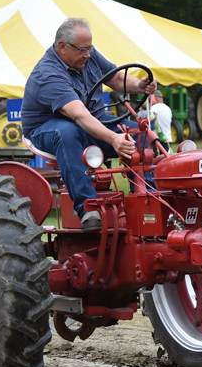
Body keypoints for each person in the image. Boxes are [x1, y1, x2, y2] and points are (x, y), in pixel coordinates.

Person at [21, 17, 157, 232]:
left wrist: (139, 86)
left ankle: (149, 200)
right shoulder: (47, 74)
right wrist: (113, 139)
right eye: (82, 50)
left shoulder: (87, 55)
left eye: (90, 48)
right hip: (46, 128)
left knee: (139, 134)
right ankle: (88, 208)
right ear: (62, 47)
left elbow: (115, 78)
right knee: (66, 132)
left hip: (89, 119)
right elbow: (79, 116)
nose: (88, 54)